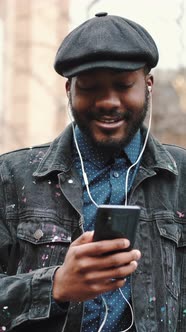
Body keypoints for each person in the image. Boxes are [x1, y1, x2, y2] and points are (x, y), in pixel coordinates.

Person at [0, 12, 185, 332]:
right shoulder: (11, 177)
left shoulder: (181, 177)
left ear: (148, 85)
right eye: (89, 87)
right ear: (69, 89)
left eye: (124, 85)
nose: (108, 101)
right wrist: (56, 285)